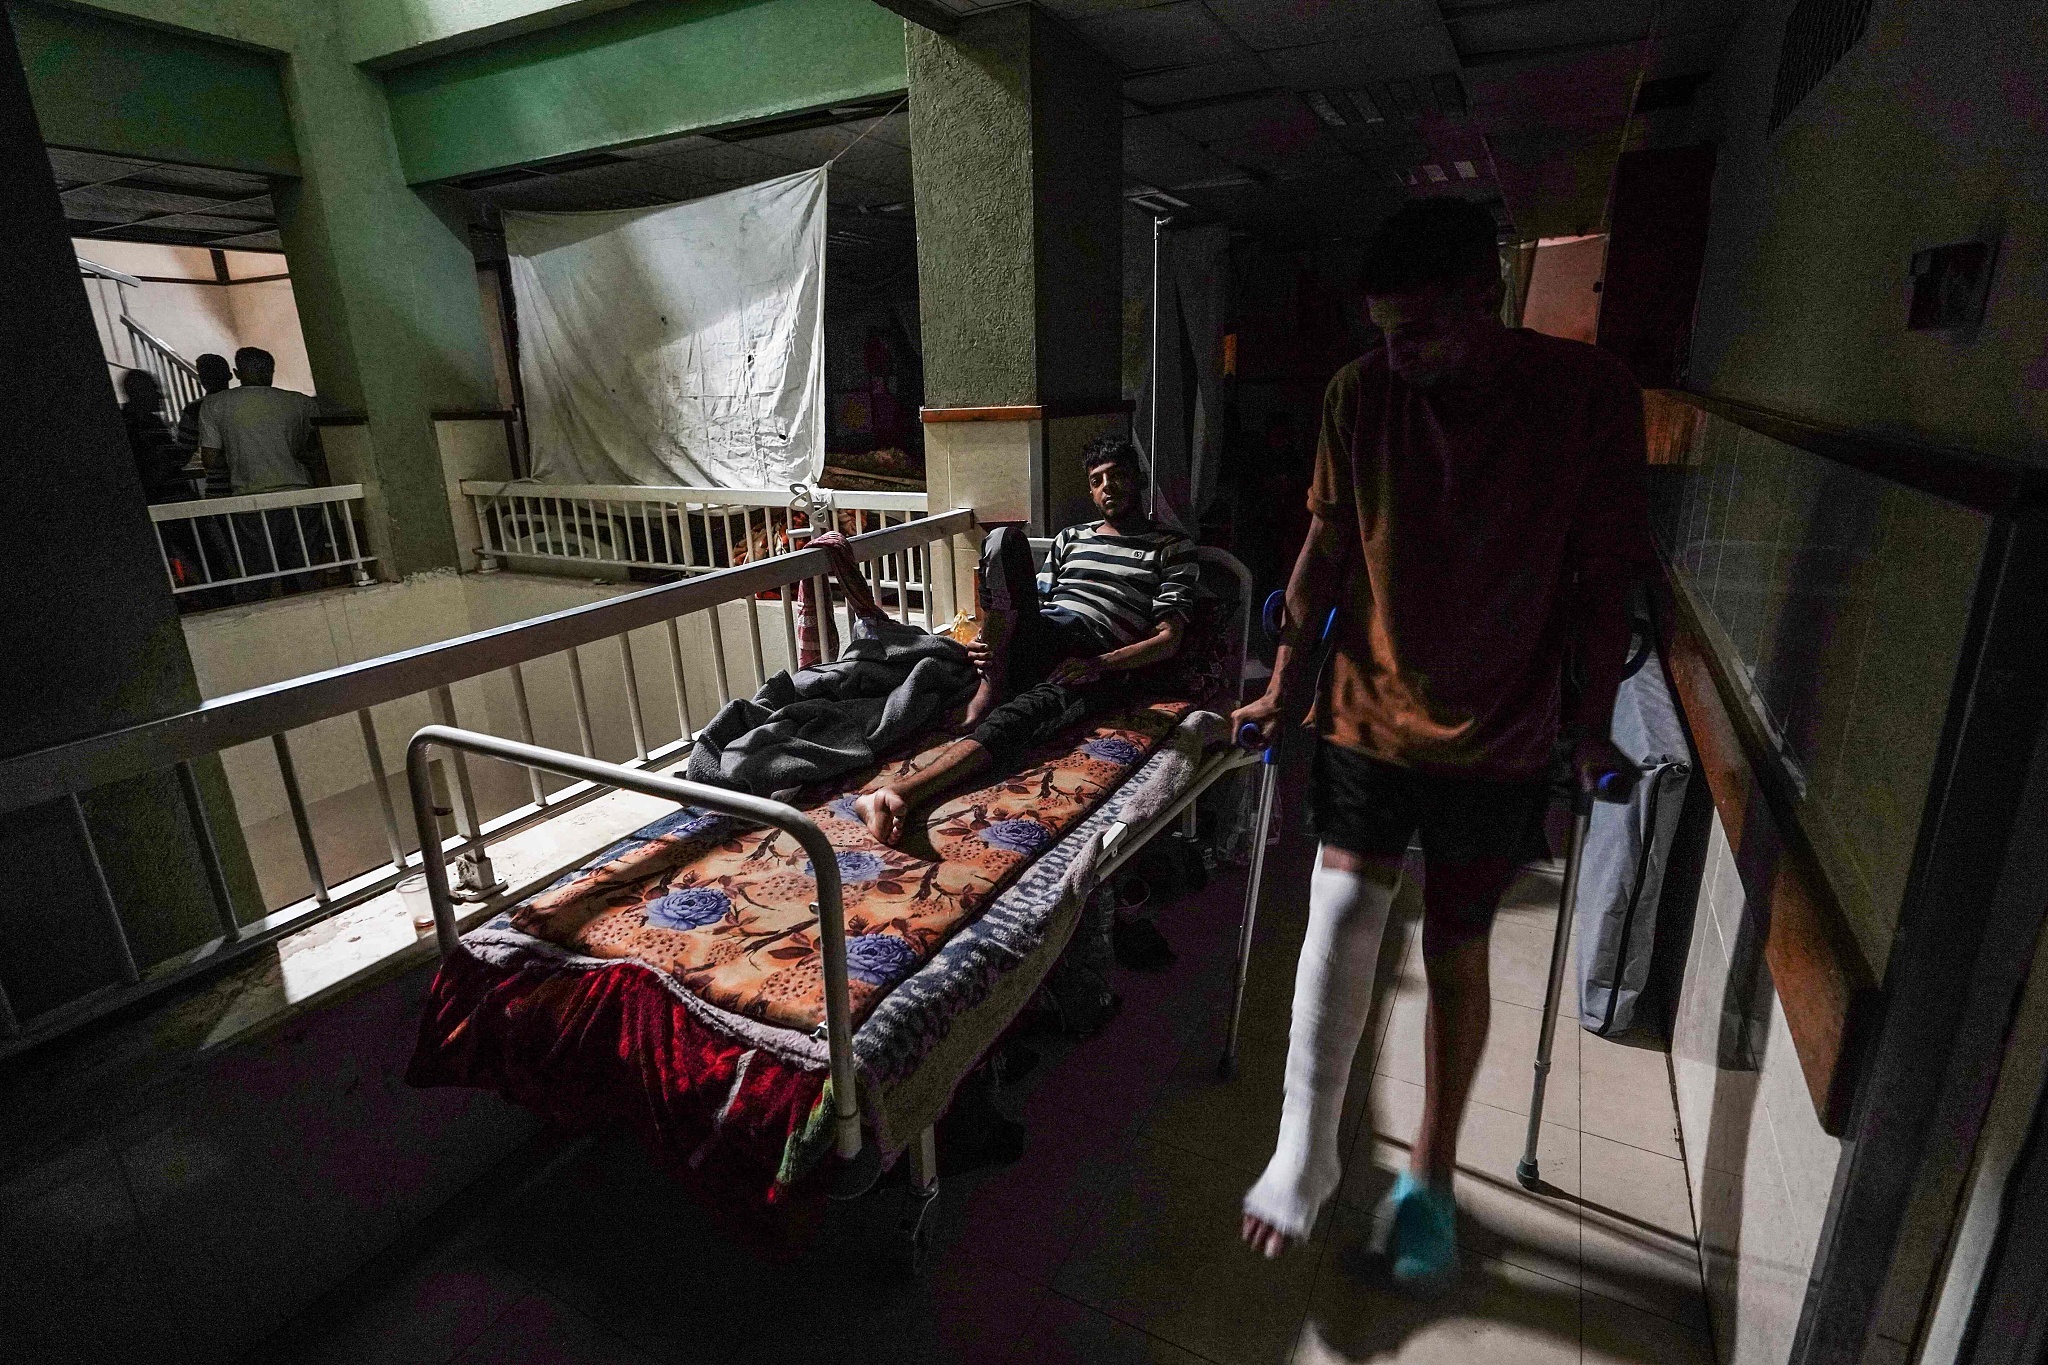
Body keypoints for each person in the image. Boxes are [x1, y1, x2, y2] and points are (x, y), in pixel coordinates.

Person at [1232, 197, 1650, 1285]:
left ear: (1486, 296)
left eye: (1418, 330)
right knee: (1340, 911)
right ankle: (1306, 1148)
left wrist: (1591, 728)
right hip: (1368, 702)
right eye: (1382, 331)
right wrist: (1280, 689)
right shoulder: (1358, 393)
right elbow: (1322, 554)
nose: (1396, 353)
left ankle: (1427, 1177)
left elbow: (1604, 578)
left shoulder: (1587, 396)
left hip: (1500, 724)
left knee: (1456, 947)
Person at [854, 435, 1199, 846]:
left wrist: (1100, 665)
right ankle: (992, 674)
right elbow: (1028, 601)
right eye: (1097, 480)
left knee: (1024, 716)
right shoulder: (1071, 538)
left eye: (1117, 476)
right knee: (1003, 540)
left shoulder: (1171, 547)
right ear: (1091, 492)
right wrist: (992, 636)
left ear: (1139, 479)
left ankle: (897, 793)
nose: (1107, 487)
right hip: (1042, 630)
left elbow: (1169, 639)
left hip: (1094, 650)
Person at [196, 347, 329, 590]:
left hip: (252, 502)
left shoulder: (215, 404)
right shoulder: (301, 403)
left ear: (237, 372)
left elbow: (210, 459)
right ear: (271, 370)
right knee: (306, 575)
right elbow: (317, 452)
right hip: (302, 498)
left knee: (258, 579)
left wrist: (238, 453)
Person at [117, 369, 188, 503]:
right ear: (139, 393)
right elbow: (170, 460)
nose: (160, 395)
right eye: (153, 389)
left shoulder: (150, 421)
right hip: (163, 500)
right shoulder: (137, 425)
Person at [174, 352, 233, 458]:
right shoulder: (246, 402)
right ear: (230, 376)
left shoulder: (194, 409)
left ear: (201, 379)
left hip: (217, 466)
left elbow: (184, 450)